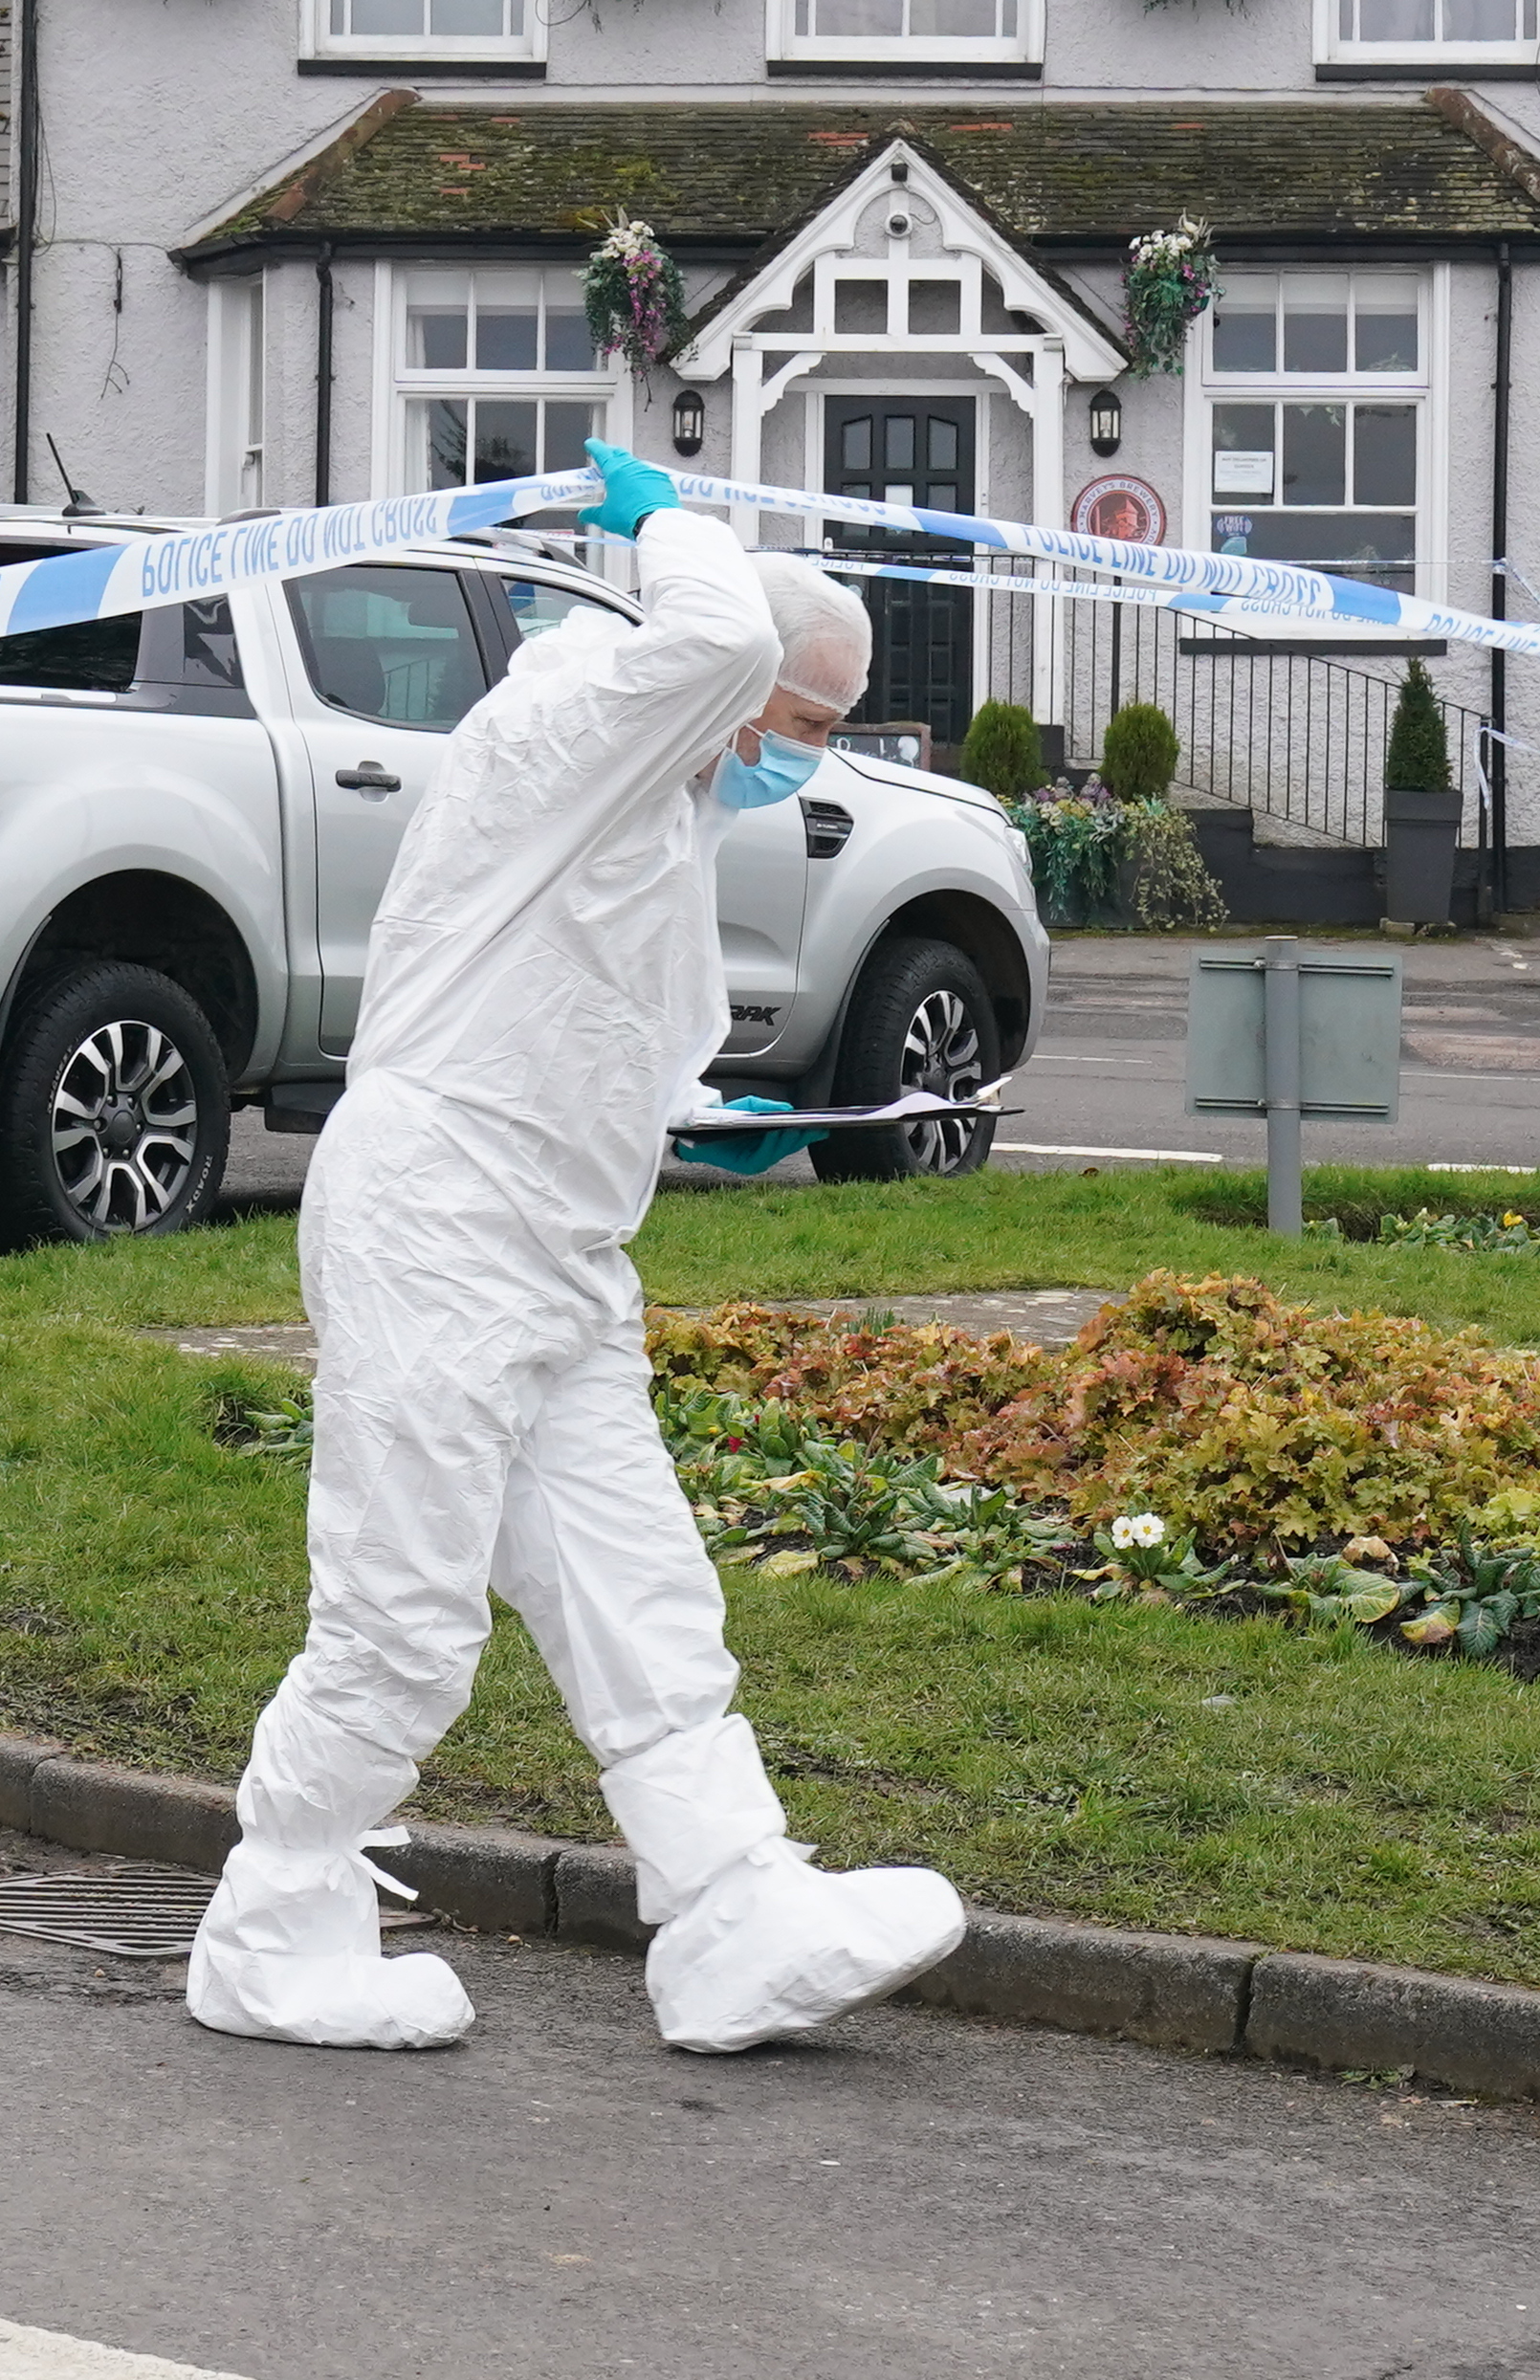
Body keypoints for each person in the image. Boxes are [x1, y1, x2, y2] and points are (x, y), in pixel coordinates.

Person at [187, 446, 969, 2055]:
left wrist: (687, 1116)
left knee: (646, 1598)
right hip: (441, 1228)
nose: (808, 763)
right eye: (811, 730)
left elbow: (591, 1006)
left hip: (556, 1249)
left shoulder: (649, 788)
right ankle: (278, 1915)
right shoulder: (579, 716)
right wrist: (668, 518)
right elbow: (716, 646)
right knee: (402, 1616)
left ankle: (733, 1909)